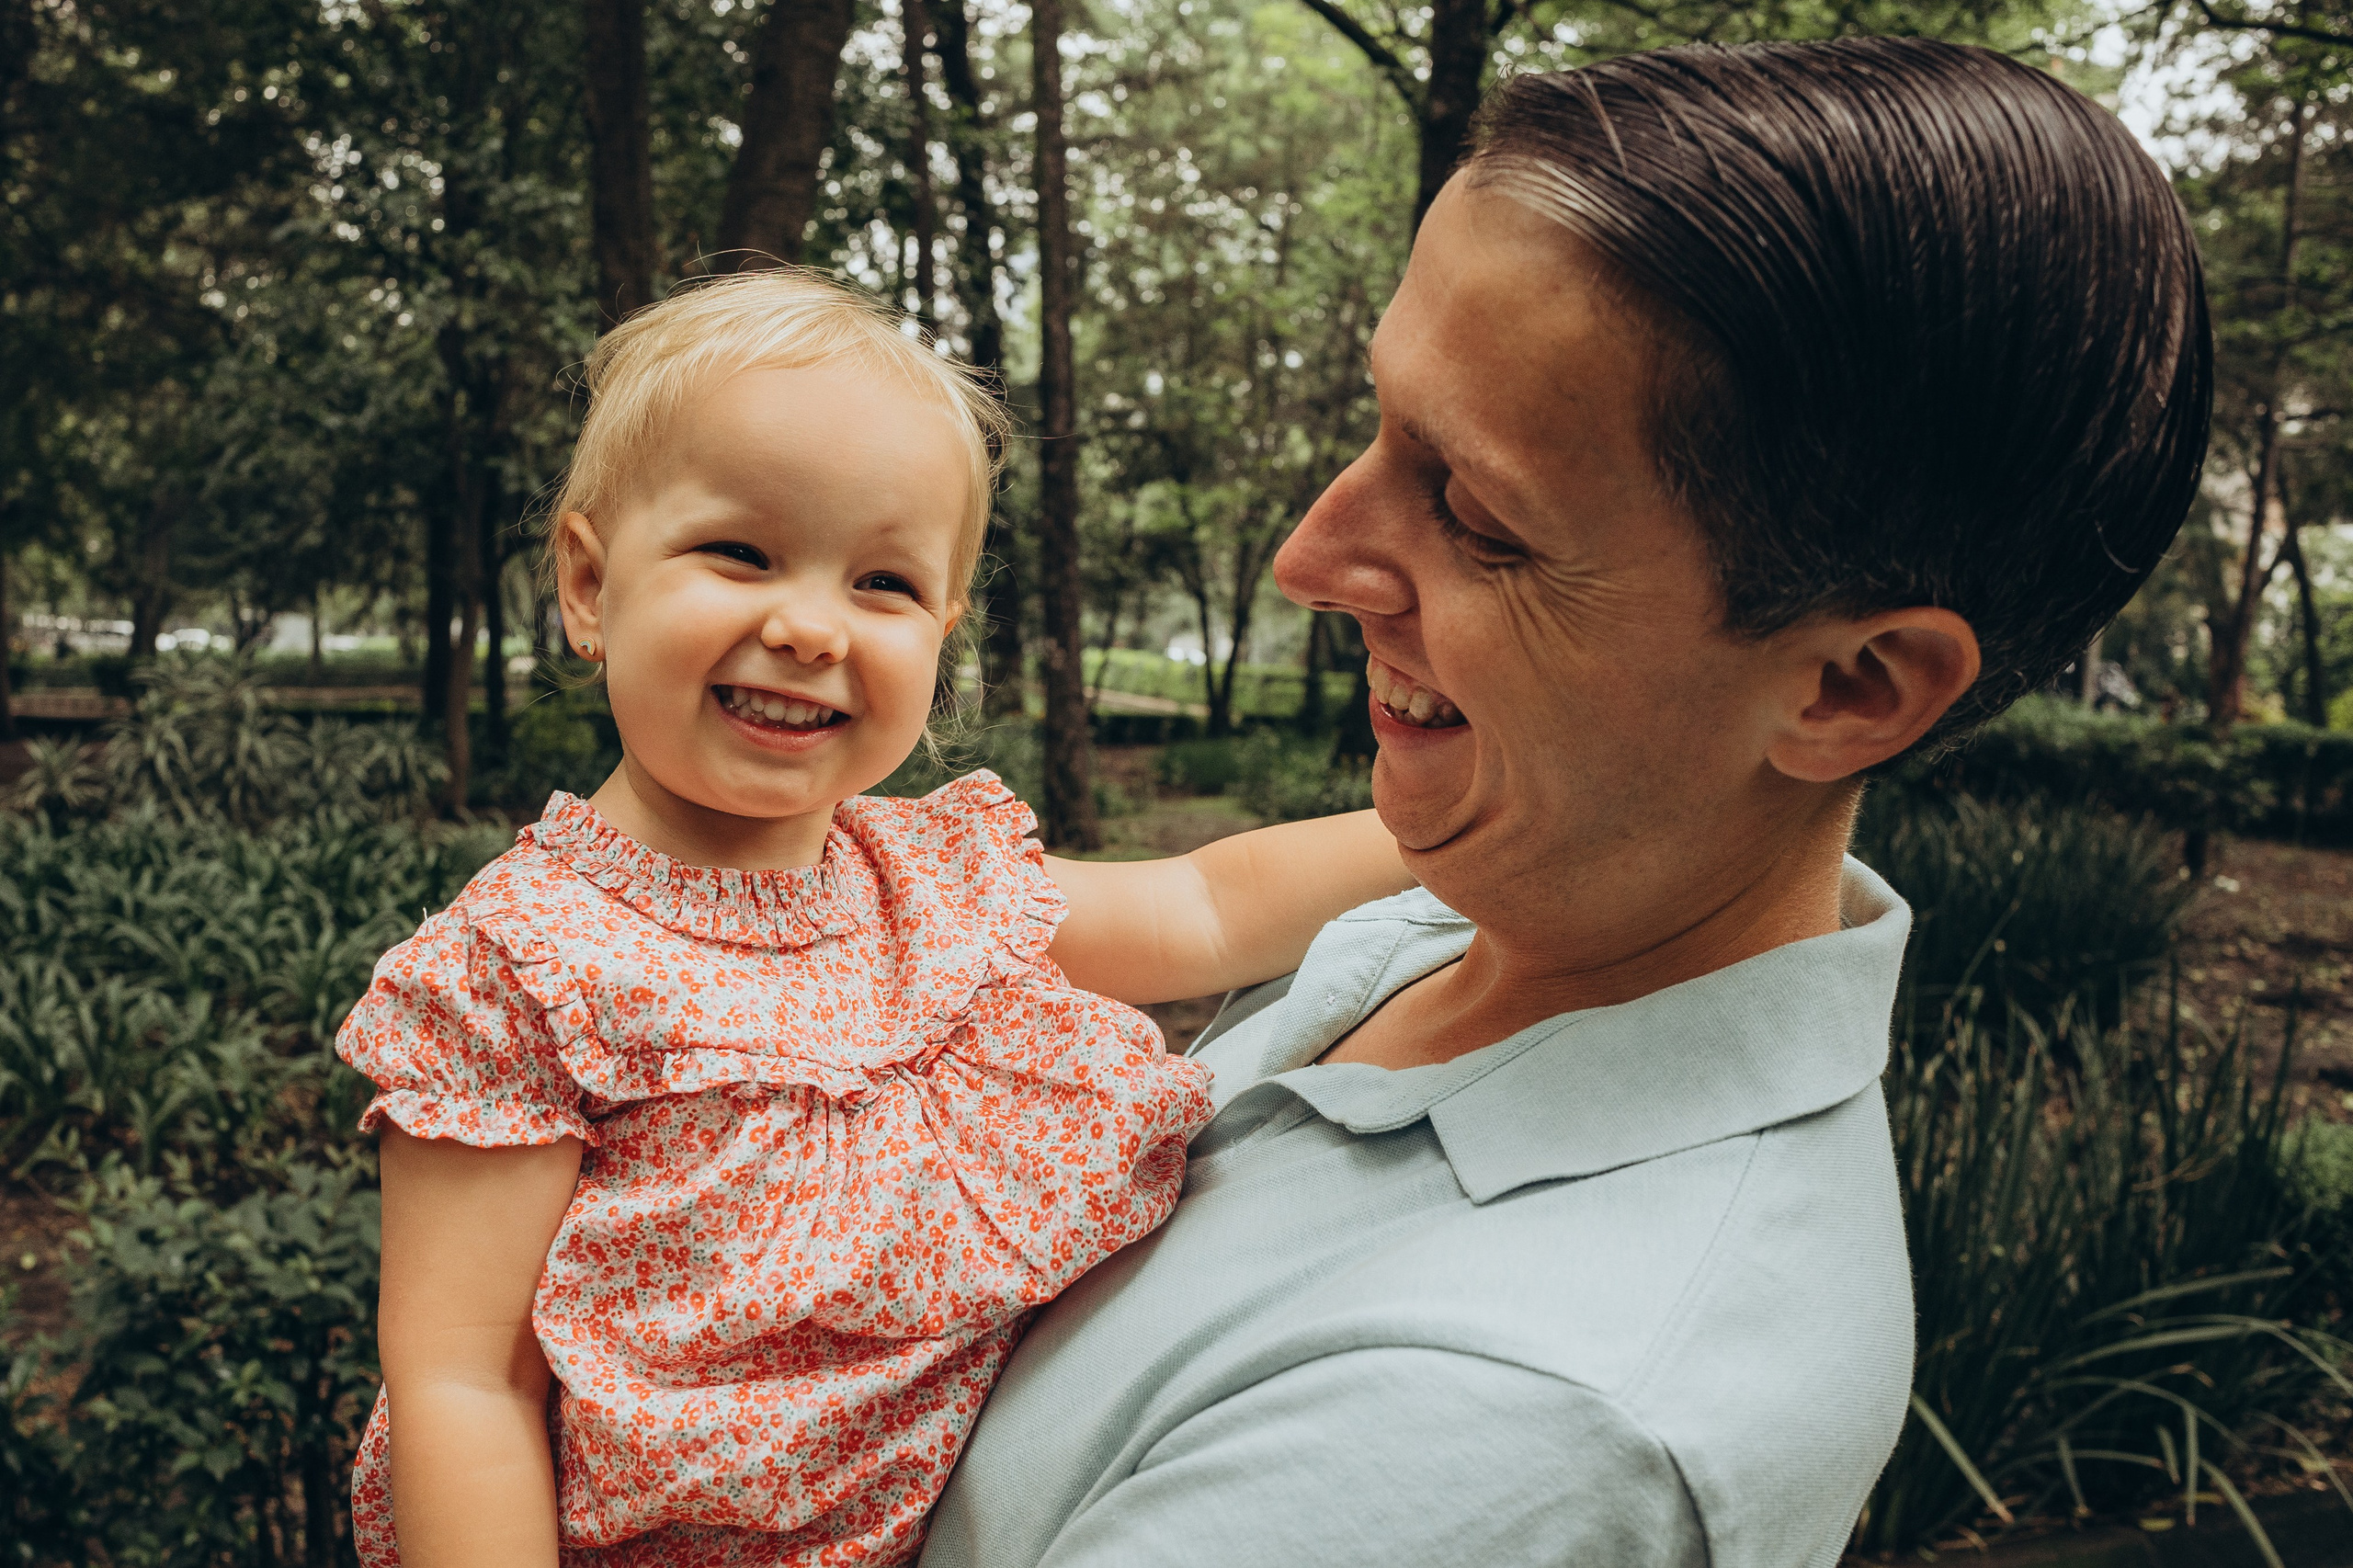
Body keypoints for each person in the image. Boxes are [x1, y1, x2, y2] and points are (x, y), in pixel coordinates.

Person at [920, 38, 2211, 1568]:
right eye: (1381, 419)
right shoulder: (1511, 889)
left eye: (1478, 517)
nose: (1310, 559)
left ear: (1850, 687)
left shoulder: (1510, 1418)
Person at [334, 270, 1415, 1568]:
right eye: (740, 553)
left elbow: (1204, 904)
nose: (808, 627)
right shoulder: (520, 969)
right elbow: (466, 1383)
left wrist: (1467, 825)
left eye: (884, 583)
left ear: (943, 632)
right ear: (587, 583)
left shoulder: (937, 884)